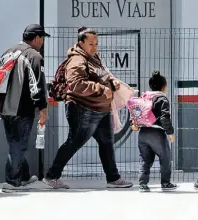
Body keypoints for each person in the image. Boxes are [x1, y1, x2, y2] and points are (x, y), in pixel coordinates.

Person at [42, 27, 132, 190]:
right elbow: (76, 84)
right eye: (91, 43)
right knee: (74, 142)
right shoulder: (77, 60)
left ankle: (113, 178)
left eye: (96, 43)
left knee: (107, 142)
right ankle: (52, 175)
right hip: (84, 108)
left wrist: (112, 83)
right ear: (81, 42)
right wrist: (103, 89)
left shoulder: (93, 57)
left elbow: (102, 75)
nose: (95, 47)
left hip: (100, 108)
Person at [0, 24, 49, 193]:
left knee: (15, 144)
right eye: (42, 39)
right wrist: (42, 107)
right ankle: (11, 182)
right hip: (22, 108)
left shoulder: (8, 52)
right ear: (37, 38)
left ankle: (24, 176)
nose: (42, 43)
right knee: (19, 146)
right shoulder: (34, 56)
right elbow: (36, 84)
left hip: (4, 108)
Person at [132, 71, 177, 192]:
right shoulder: (162, 98)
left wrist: (134, 124)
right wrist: (170, 132)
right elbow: (164, 117)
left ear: (151, 86)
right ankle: (166, 183)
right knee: (165, 158)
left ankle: (143, 184)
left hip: (143, 133)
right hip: (156, 133)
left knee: (145, 160)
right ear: (164, 86)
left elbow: (136, 112)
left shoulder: (144, 97)